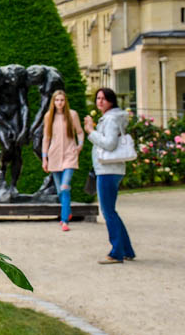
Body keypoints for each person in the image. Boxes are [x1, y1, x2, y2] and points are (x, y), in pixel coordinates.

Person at [83, 87, 136, 264]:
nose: (100, 102)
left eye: (104, 99)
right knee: (111, 211)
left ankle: (116, 253)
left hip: (107, 170)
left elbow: (110, 144)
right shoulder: (112, 117)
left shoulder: (111, 119)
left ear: (111, 101)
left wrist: (91, 131)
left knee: (108, 212)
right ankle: (126, 249)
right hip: (111, 170)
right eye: (98, 98)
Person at [41, 90, 83, 232]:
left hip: (70, 155)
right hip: (54, 156)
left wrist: (80, 146)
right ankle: (68, 211)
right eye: (57, 100)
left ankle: (64, 220)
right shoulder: (49, 116)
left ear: (66, 101)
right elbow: (46, 138)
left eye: (62, 100)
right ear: (53, 102)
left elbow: (80, 132)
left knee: (65, 186)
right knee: (60, 191)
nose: (60, 103)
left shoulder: (73, 115)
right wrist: (44, 158)